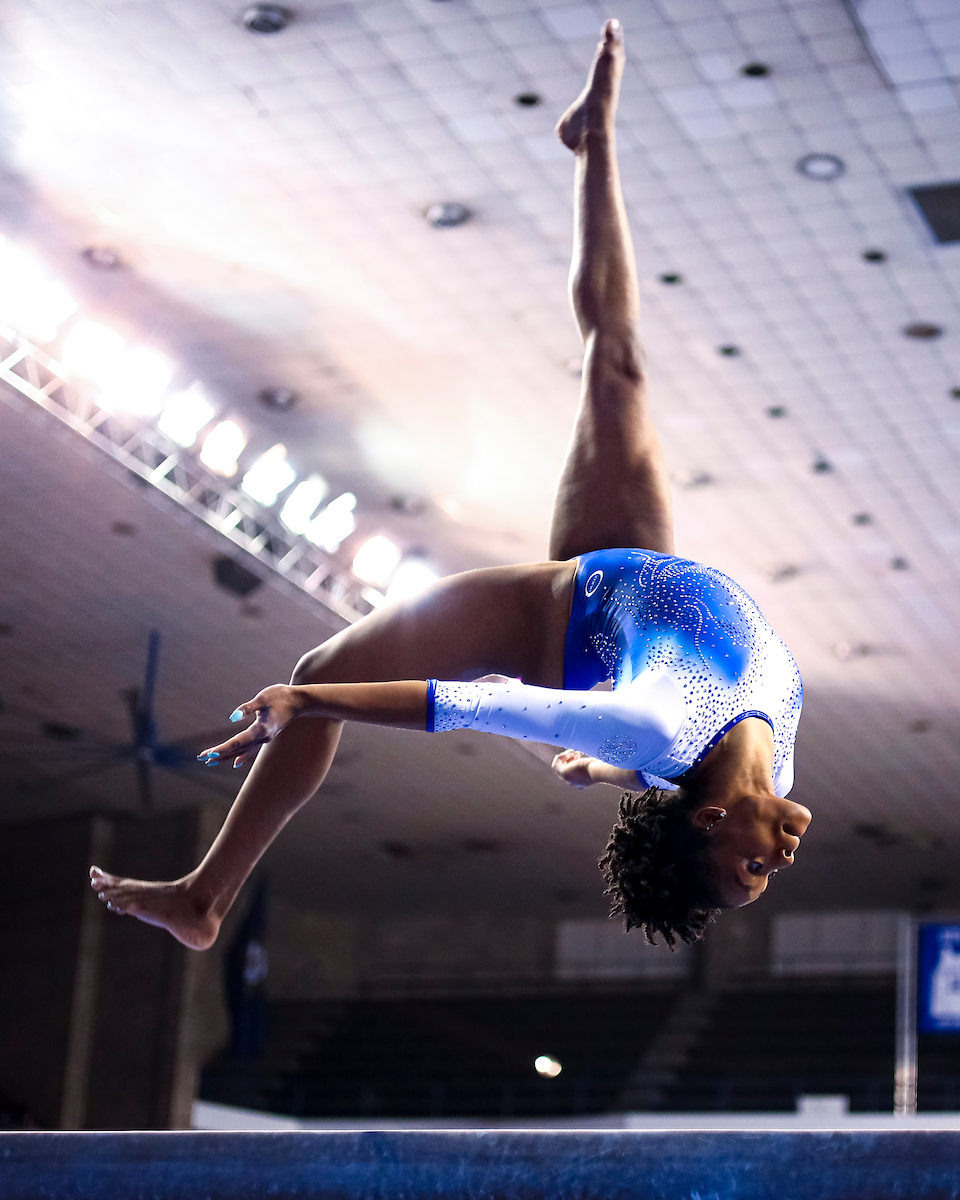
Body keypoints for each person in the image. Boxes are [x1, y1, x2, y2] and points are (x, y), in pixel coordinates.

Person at [90, 20, 811, 951]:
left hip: (561, 618)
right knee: (618, 360)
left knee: (318, 670)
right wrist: (606, 776)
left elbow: (466, 703)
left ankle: (203, 897)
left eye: (753, 868)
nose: (779, 862)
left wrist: (309, 703)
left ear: (714, 827)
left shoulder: (645, 720)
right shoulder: (764, 776)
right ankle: (594, 139)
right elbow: (690, 770)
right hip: (638, 580)